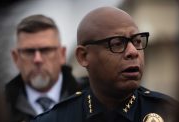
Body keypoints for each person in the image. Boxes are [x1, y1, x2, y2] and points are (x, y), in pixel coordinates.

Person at [30, 6, 177, 122]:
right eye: (117, 43)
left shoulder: (169, 112)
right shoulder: (56, 119)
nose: (133, 52)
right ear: (83, 56)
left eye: (137, 41)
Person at [5, 14, 85, 122]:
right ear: (15, 58)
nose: (37, 59)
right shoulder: (0, 108)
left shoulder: (91, 96)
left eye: (45, 50)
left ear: (62, 54)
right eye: (29, 51)